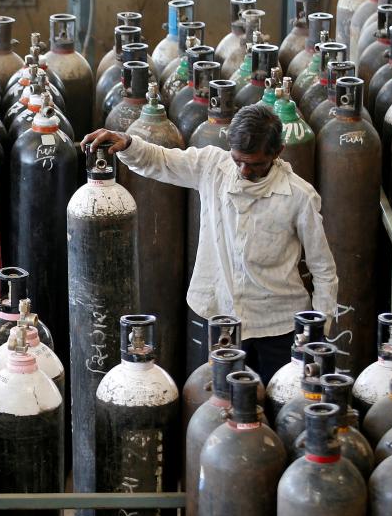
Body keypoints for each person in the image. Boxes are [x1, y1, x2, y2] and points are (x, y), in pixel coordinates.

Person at [82, 104, 337, 377]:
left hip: (278, 327)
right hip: (222, 321)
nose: (243, 170)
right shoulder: (212, 167)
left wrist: (317, 333)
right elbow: (161, 161)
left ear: (278, 153)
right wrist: (128, 143)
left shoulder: (299, 196)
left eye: (255, 164)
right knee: (220, 409)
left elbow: (323, 270)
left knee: (279, 409)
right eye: (238, 160)